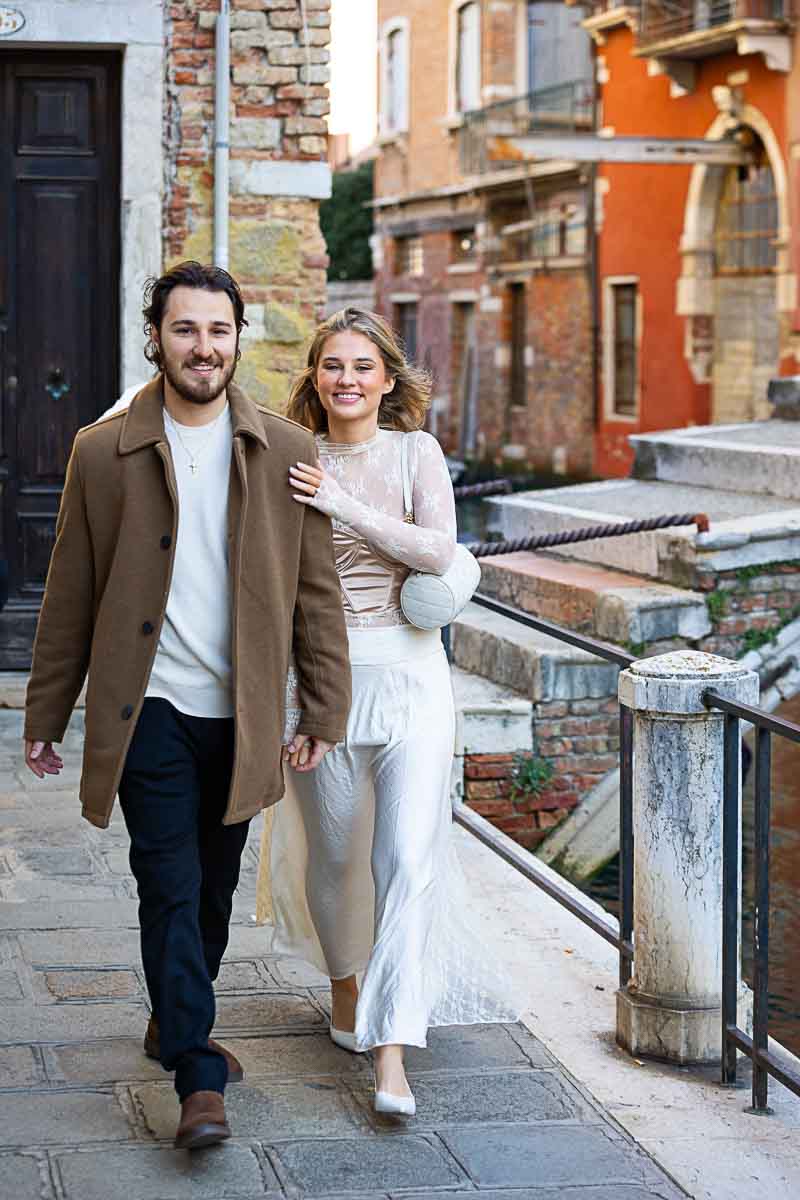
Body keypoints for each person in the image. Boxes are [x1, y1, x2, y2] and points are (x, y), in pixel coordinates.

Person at [22, 262, 351, 1149]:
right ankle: (198, 1077)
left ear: (238, 338)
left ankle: (175, 1020)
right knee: (166, 885)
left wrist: (323, 706)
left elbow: (316, 593)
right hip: (150, 711)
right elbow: (70, 593)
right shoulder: (103, 449)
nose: (203, 348)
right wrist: (46, 715)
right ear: (156, 337)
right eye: (185, 330)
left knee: (211, 890)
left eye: (218, 331)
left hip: (242, 714)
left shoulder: (287, 449)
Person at [257, 308, 517, 1118]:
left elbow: (438, 551)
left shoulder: (415, 452)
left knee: (406, 858)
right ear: (314, 377)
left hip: (410, 679)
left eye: (362, 366)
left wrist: (343, 504)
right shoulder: (290, 458)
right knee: (333, 857)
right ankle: (344, 989)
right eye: (332, 365)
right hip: (319, 685)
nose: (347, 380)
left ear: (388, 378)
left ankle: (392, 1053)